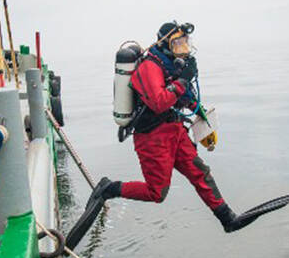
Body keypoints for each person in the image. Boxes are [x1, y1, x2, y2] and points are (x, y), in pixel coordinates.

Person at [87, 21, 255, 233]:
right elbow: (158, 102)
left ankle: (227, 218)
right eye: (178, 44)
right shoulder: (150, 67)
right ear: (165, 44)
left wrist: (200, 112)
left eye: (186, 43)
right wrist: (183, 80)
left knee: (199, 172)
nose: (183, 49)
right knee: (156, 193)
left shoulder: (171, 64)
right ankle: (110, 188)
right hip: (153, 137)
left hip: (174, 130)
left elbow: (183, 97)